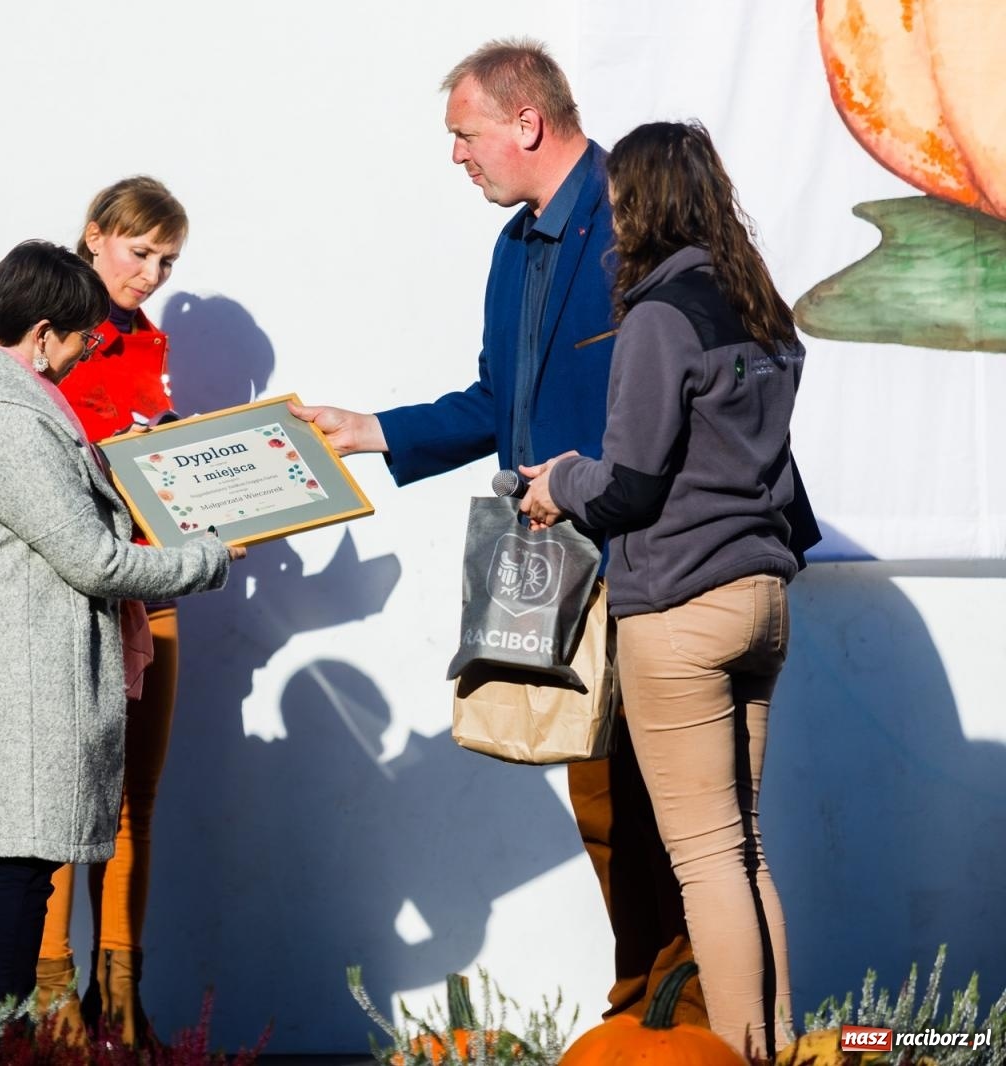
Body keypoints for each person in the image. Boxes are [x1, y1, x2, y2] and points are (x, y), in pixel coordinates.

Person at [289, 39, 708, 1025]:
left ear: (526, 123)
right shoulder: (515, 245)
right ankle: (635, 991)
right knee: (598, 798)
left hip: (648, 560)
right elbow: (497, 399)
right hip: (553, 564)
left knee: (665, 802)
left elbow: (678, 392)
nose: (455, 156)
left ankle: (686, 1008)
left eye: (463, 134)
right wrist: (373, 431)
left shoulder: (637, 213)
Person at [520, 120, 811, 1062]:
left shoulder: (659, 314)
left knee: (705, 860)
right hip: (763, 597)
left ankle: (731, 1051)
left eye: (615, 198)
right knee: (747, 847)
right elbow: (770, 469)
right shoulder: (760, 305)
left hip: (682, 608)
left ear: (638, 201)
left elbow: (632, 485)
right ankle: (778, 1044)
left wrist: (557, 481)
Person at [0, 239, 241, 1009]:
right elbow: (97, 562)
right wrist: (206, 559)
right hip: (23, 686)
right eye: (83, 336)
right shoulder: (12, 423)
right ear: (44, 332)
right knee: (21, 874)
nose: (88, 349)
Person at [34, 176, 190, 1046]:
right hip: (71, 590)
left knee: (136, 797)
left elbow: (159, 461)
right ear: (95, 235)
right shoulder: (45, 328)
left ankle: (121, 1004)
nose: (153, 271)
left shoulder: (146, 339)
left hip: (149, 583)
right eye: (141, 251)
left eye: (167, 259)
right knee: (63, 798)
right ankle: (51, 1002)